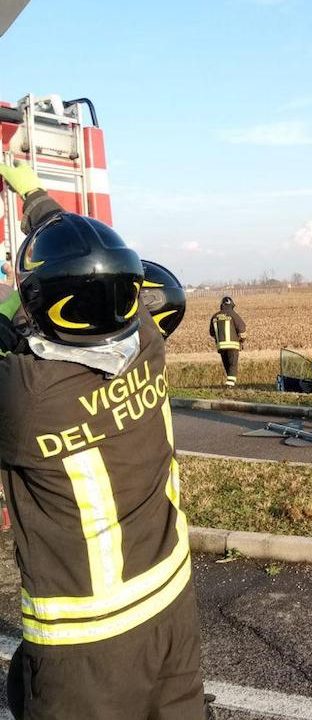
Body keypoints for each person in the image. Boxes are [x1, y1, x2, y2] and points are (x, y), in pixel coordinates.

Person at [0, 161, 207, 720]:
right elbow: (90, 270)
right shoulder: (145, 339)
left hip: (87, 643)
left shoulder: (26, 397)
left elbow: (26, 319)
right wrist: (37, 196)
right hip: (171, 602)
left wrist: (10, 312)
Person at [209, 295, 246, 387]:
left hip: (221, 346)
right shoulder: (233, 314)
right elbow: (242, 328)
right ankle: (230, 384)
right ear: (231, 305)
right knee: (232, 364)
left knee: (227, 364)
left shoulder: (215, 316)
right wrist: (242, 340)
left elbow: (212, 332)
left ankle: (229, 382)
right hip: (233, 345)